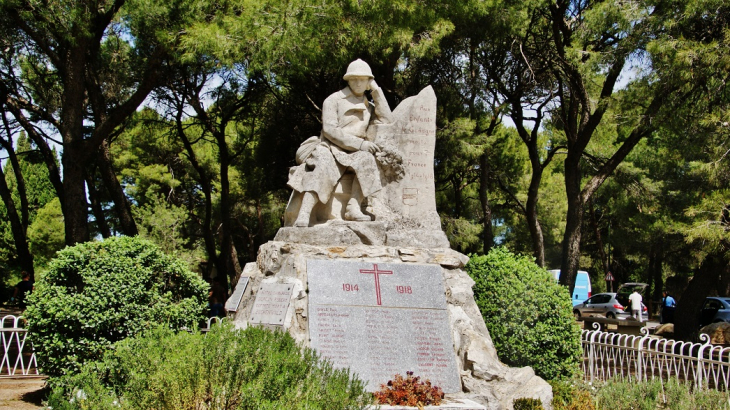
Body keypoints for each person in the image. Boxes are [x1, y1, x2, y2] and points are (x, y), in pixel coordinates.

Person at [288, 59, 394, 227]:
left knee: (367, 160)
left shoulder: (370, 106)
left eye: (363, 79)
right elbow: (330, 130)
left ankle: (353, 208)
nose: (358, 83)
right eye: (354, 79)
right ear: (347, 80)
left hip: (355, 151)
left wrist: (376, 90)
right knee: (322, 164)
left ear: (368, 82)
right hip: (330, 146)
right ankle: (305, 212)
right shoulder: (333, 100)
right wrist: (360, 144)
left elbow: (388, 120)